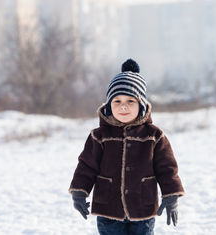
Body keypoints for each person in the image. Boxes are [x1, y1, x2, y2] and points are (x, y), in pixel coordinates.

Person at [68, 59, 185, 235]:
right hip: (109, 207)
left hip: (142, 208)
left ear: (142, 105)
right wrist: (79, 191)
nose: (123, 106)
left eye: (131, 101)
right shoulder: (99, 136)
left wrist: (171, 196)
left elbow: (167, 168)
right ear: (109, 106)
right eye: (117, 101)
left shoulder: (154, 136)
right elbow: (86, 166)